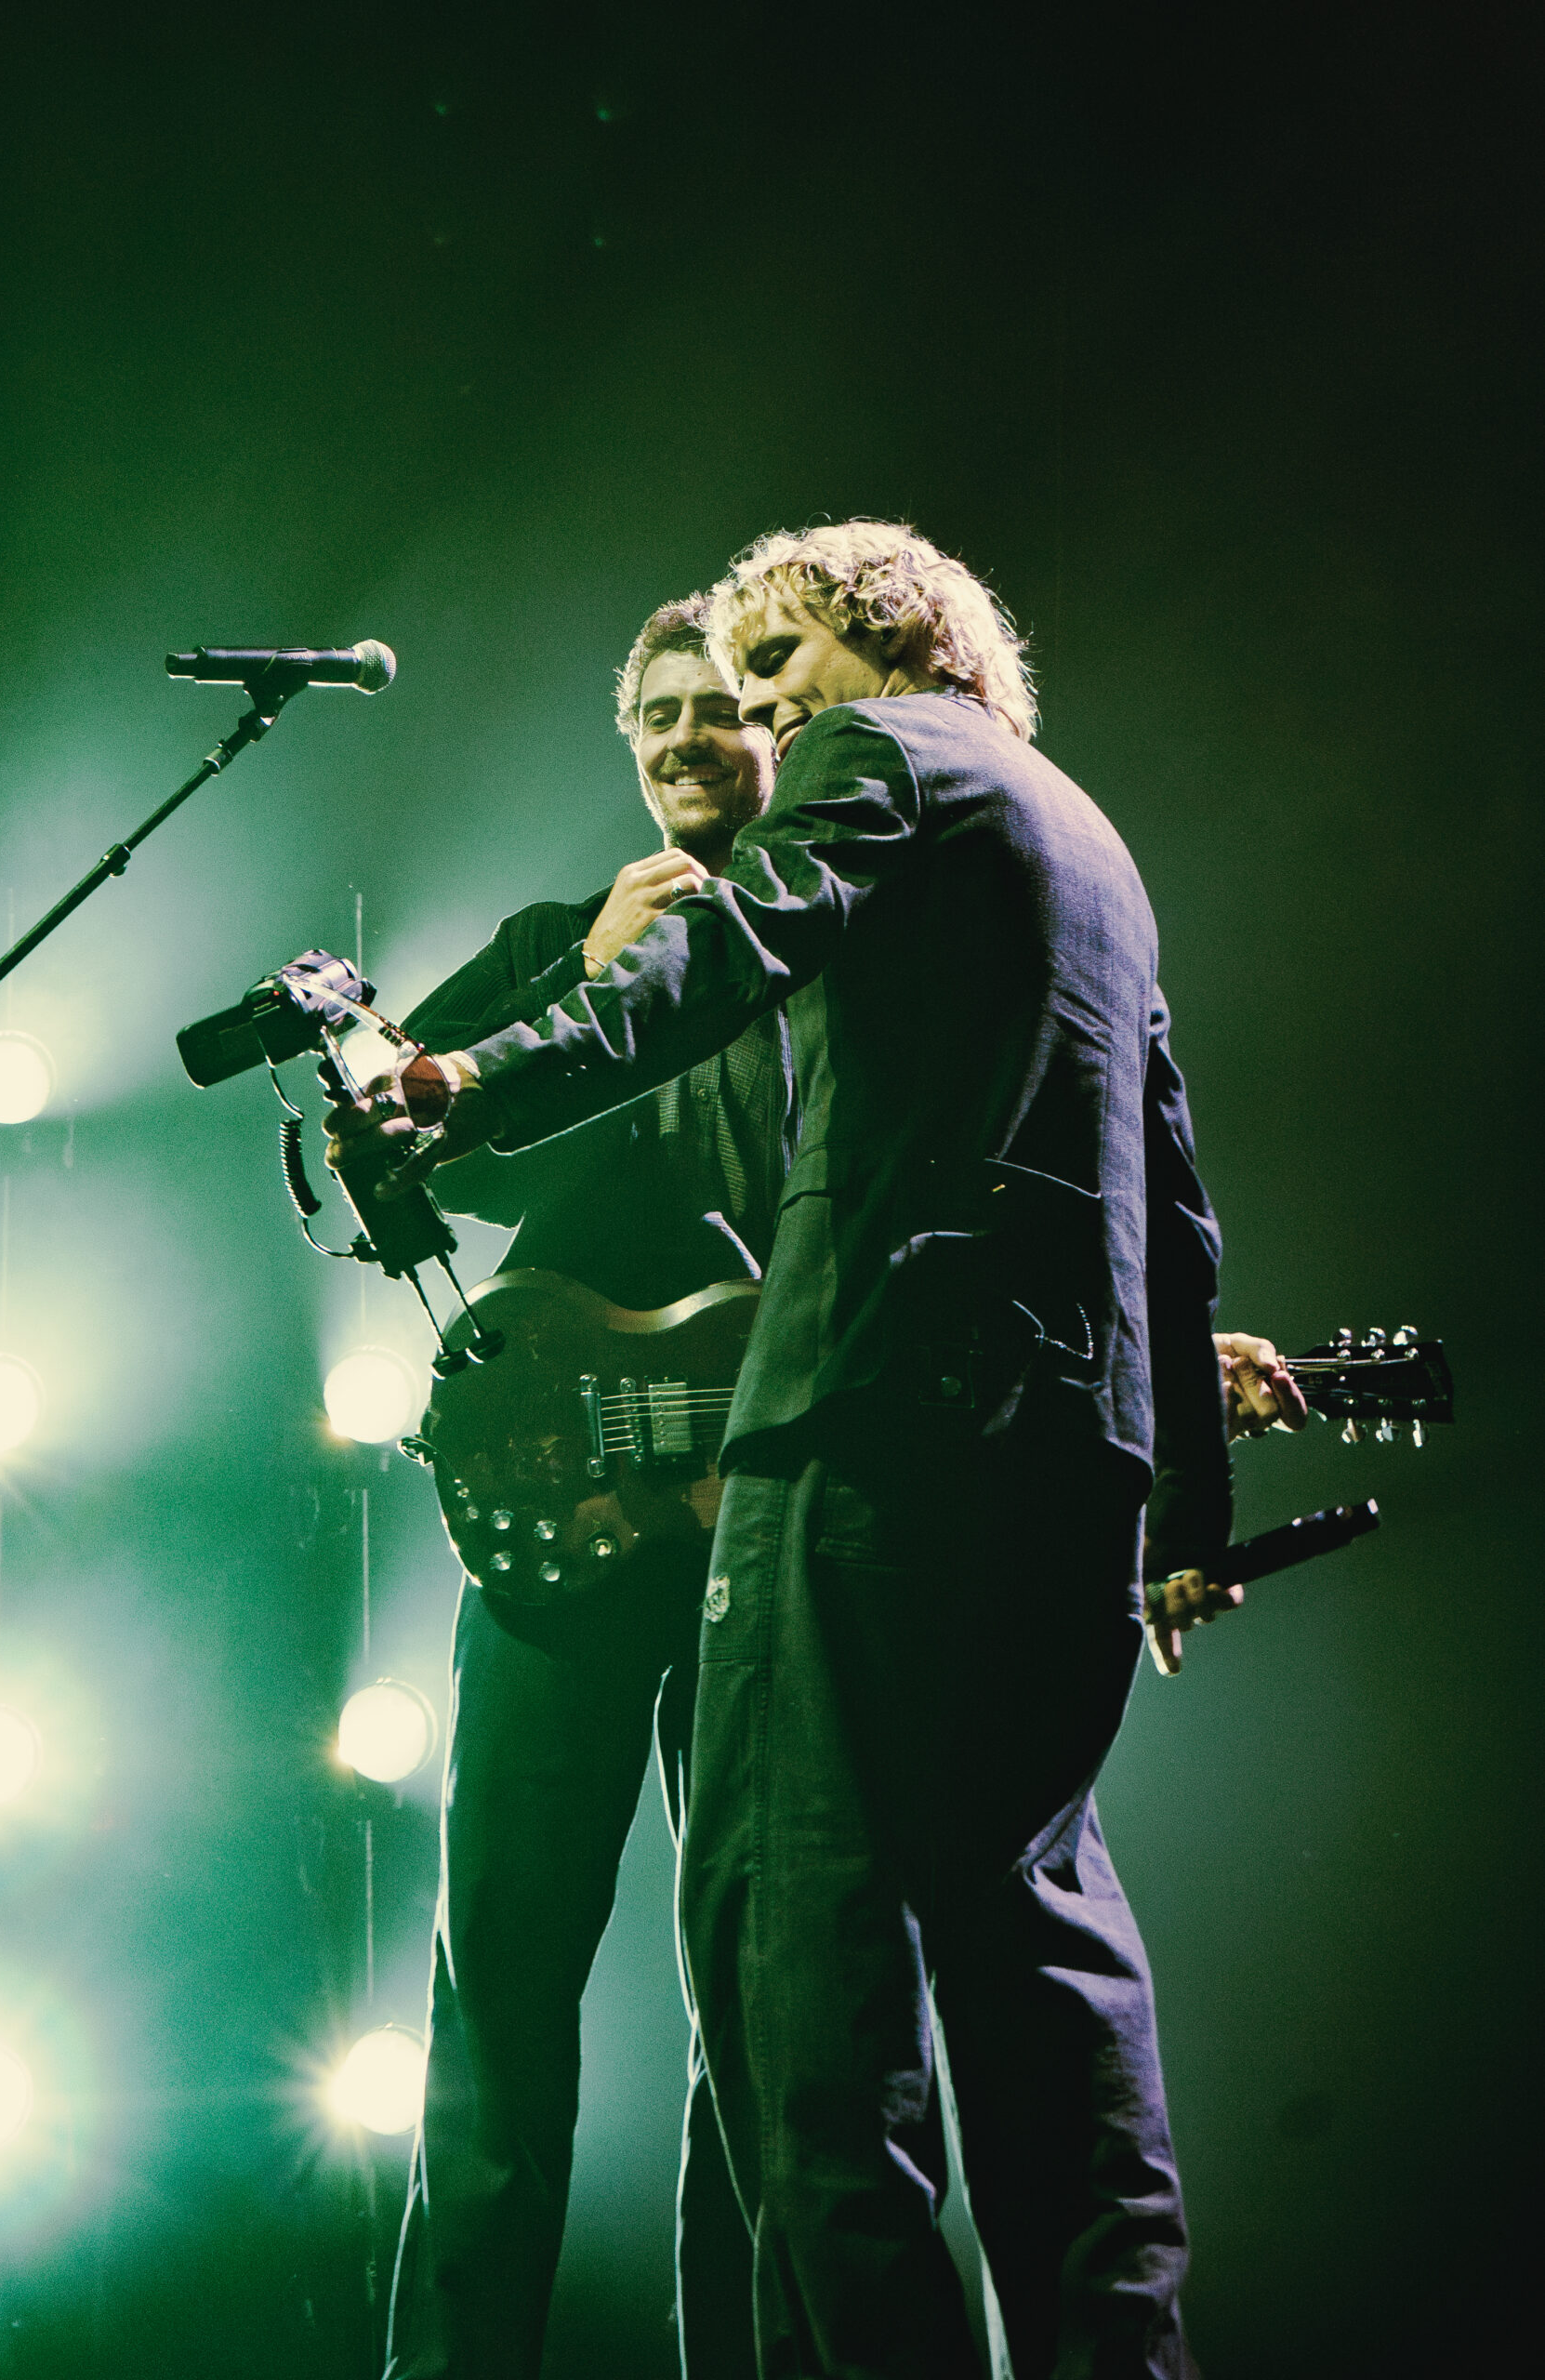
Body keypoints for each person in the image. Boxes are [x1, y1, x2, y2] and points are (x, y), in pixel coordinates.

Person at [343, 520, 1251, 2378]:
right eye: (700, 698)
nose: (755, 715)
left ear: (884, 629)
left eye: (769, 669)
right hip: (1058, 1469)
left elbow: (728, 950)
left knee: (806, 2002)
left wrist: (472, 1073)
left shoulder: (873, 755)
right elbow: (1170, 1199)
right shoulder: (1089, 840)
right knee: (1046, 1971)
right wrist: (1183, 1513)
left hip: (855, 1447)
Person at [376, 594, 785, 2380]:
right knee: (502, 1980)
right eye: (656, 715)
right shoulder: (563, 940)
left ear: (780, 732)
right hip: (564, 1535)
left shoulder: (834, 968)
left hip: (760, 1532)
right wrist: (585, 975)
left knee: (764, 2003)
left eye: (720, 706)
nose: (687, 737)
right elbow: (398, 1149)